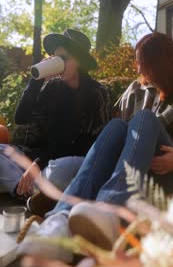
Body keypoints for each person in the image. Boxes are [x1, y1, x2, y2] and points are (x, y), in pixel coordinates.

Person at [18, 32, 173, 261]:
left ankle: (108, 208)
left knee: (145, 119)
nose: (138, 70)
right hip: (135, 173)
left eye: (143, 63)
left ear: (161, 63)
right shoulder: (136, 90)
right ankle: (58, 221)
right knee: (117, 125)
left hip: (171, 172)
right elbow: (114, 134)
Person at [0, 28, 111, 199]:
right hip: (39, 160)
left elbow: (83, 142)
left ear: (79, 61)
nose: (58, 63)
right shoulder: (53, 88)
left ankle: (32, 188)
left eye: (63, 58)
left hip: (67, 161)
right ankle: (24, 190)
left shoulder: (96, 93)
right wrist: (36, 81)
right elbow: (21, 117)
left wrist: (37, 164)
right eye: (54, 58)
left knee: (61, 171)